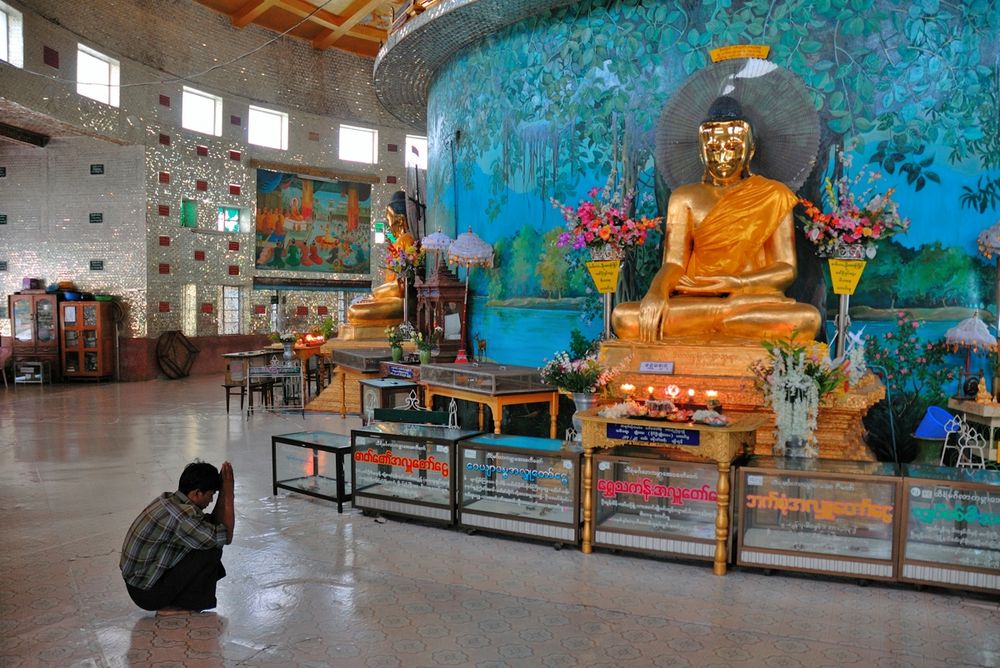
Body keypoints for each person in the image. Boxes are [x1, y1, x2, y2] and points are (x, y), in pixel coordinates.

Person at [612, 96, 821, 343]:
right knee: (623, 317)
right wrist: (656, 292)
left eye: (732, 147)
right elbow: (674, 263)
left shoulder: (773, 195)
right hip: (695, 298)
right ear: (702, 152)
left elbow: (786, 269)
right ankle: (727, 319)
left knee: (808, 319)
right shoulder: (684, 197)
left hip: (748, 298)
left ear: (750, 149)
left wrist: (737, 283)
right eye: (713, 149)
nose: (723, 156)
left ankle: (722, 318)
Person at [120, 461, 235, 614]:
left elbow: (212, 525)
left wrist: (222, 491)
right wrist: (228, 492)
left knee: (204, 540)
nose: (211, 500)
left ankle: (178, 599)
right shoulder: (183, 518)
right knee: (210, 550)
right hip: (146, 594)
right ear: (196, 493)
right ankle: (178, 605)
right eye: (210, 495)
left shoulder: (171, 500)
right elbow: (225, 536)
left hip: (138, 584)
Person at [341, 191, 413, 334]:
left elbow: (402, 286)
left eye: (389, 218)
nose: (389, 223)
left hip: (402, 300)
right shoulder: (397, 242)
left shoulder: (407, 240)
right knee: (354, 309)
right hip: (391, 297)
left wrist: (376, 293)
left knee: (355, 311)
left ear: (399, 219)